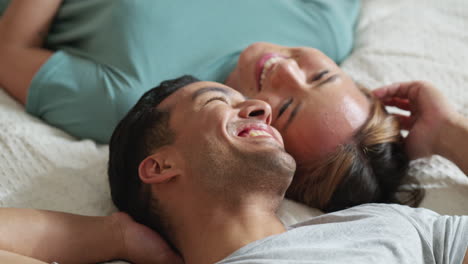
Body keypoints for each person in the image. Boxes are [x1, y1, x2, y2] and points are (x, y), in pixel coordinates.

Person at [0, 0, 422, 211]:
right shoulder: (324, 26)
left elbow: (8, 50)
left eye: (286, 108)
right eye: (322, 76)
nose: (286, 71)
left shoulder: (139, 102)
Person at [0, 77, 467, 264]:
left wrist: (446, 132)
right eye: (219, 101)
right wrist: (114, 236)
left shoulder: (386, 223)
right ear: (159, 165)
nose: (260, 106)